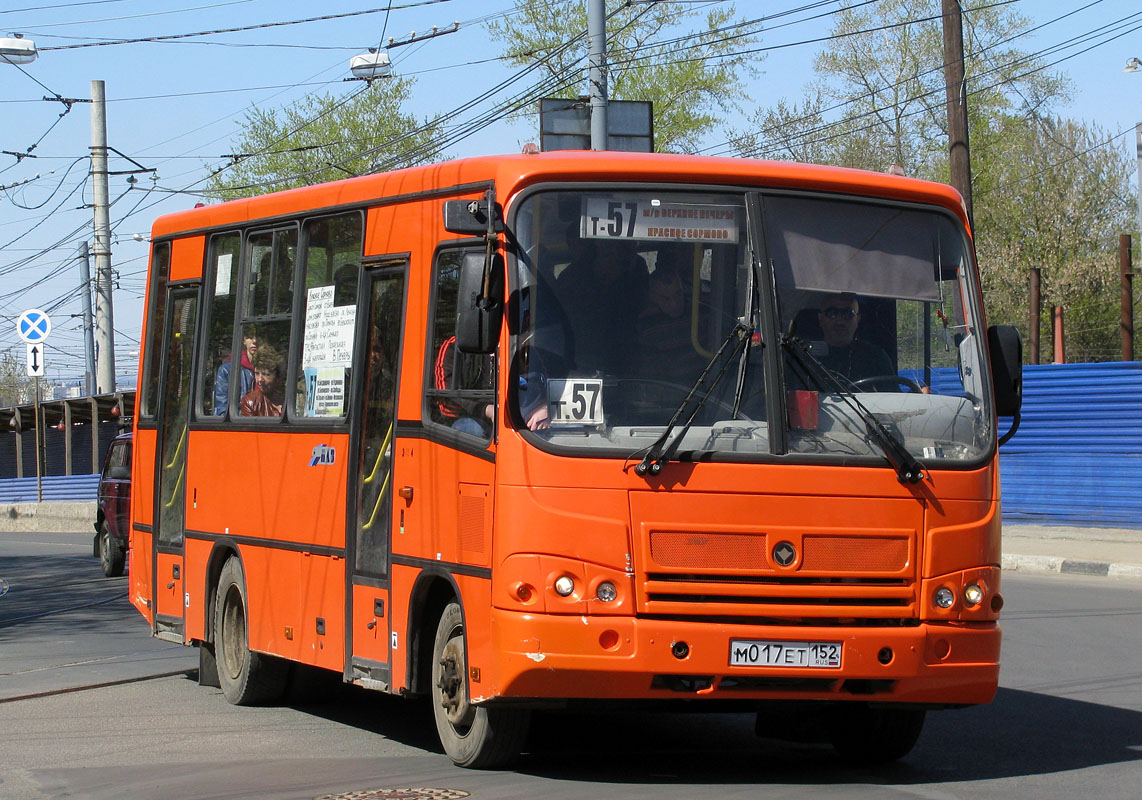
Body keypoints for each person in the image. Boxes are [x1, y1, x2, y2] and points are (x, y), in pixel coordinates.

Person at [815, 293, 894, 383]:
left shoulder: (875, 357)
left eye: (848, 314)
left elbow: (892, 395)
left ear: (857, 319)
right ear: (820, 318)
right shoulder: (805, 357)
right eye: (832, 313)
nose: (840, 321)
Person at [213, 327, 257, 415]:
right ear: (244, 341)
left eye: (258, 337)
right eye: (250, 337)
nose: (254, 341)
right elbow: (222, 408)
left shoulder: (269, 370)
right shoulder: (227, 371)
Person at [240, 343, 285, 417]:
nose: (260, 379)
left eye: (265, 374)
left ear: (277, 376)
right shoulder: (250, 402)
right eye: (257, 373)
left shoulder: (293, 399)